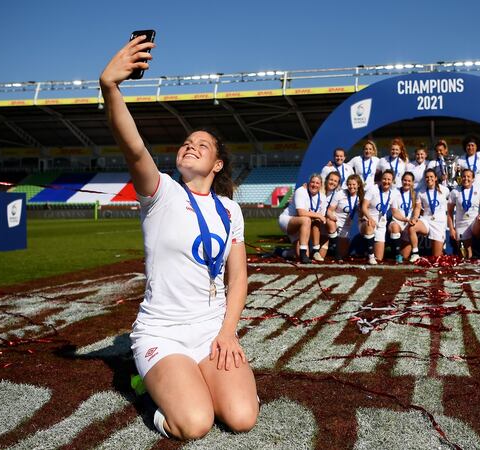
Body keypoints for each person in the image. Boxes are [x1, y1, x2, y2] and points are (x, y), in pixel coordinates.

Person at [100, 36, 257, 440]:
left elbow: (237, 279)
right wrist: (110, 88)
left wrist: (226, 333)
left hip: (210, 331)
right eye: (187, 142)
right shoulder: (162, 192)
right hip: (163, 333)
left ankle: (189, 381)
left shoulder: (230, 210)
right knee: (194, 424)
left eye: (201, 145)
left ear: (217, 163)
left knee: (242, 418)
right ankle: (145, 390)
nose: (190, 145)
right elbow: (134, 148)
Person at [278, 174, 327, 263]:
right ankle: (303, 252)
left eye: (317, 183)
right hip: (288, 220)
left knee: (298, 255)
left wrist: (319, 217)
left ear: (320, 185)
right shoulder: (301, 191)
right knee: (306, 219)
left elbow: (320, 219)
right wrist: (318, 215)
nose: (314, 185)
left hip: (303, 226)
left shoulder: (323, 197)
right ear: (308, 183)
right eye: (312, 182)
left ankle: (282, 252)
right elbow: (301, 213)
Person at [447, 169, 480, 259]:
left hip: (474, 223)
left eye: (468, 177)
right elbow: (450, 212)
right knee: (465, 255)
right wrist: (451, 229)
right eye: (464, 176)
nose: (466, 179)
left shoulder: (479, 190)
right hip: (461, 225)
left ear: (473, 179)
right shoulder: (455, 191)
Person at [407, 169, 450, 262]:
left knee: (436, 257)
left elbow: (451, 203)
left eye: (431, 177)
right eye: (427, 177)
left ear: (435, 178)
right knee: (412, 227)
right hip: (426, 220)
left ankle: (442, 248)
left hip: (439, 223)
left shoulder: (445, 190)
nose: (429, 179)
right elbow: (418, 208)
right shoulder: (421, 192)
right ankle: (415, 253)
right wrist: (414, 218)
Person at [361, 171, 399, 264]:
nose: (386, 181)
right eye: (384, 179)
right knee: (369, 225)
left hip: (381, 225)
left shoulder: (393, 194)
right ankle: (370, 256)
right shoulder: (373, 189)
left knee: (379, 258)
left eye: (389, 179)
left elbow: (395, 212)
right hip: (367, 222)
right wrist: (369, 218)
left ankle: (372, 255)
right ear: (381, 180)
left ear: (392, 181)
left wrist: (406, 219)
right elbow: (364, 207)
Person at [327, 174, 364, 260]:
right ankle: (334, 251)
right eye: (349, 184)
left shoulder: (360, 197)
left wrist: (362, 214)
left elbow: (361, 215)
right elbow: (329, 210)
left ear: (358, 185)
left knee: (343, 254)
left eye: (354, 184)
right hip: (335, 222)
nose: (351, 187)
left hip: (346, 226)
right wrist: (332, 217)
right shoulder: (340, 194)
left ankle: (334, 250)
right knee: (330, 222)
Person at [315, 171, 342, 261]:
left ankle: (336, 252)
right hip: (314, 223)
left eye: (335, 181)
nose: (332, 182)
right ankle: (282, 252)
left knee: (320, 257)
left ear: (338, 184)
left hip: (326, 223)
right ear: (326, 180)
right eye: (331, 180)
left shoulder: (338, 194)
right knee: (300, 253)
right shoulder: (317, 189)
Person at [390, 171, 416, 262]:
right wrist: (404, 219)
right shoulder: (395, 192)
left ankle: (399, 253)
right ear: (401, 181)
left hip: (408, 224)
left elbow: (417, 209)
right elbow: (394, 212)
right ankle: (397, 255)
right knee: (394, 226)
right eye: (405, 180)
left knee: (405, 256)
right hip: (397, 221)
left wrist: (414, 219)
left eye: (409, 181)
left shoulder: (414, 194)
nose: (407, 183)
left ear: (412, 182)